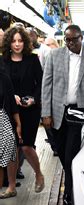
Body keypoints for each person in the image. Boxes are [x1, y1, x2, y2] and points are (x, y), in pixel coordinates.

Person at [41, 24, 84, 205]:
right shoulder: (54, 56)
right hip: (58, 112)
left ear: (81, 38)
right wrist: (46, 113)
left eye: (74, 39)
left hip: (79, 113)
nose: (70, 43)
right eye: (67, 39)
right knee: (61, 150)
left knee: (70, 156)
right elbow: (47, 85)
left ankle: (70, 193)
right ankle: (73, 182)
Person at [2, 26, 45, 194]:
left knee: (26, 146)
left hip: (29, 110)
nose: (17, 44)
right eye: (13, 41)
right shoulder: (2, 61)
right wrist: (11, 95)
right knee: (12, 148)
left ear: (25, 42)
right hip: (9, 110)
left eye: (20, 40)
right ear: (8, 43)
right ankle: (11, 186)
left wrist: (33, 99)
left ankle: (39, 174)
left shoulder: (32, 60)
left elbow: (41, 83)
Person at [0, 72, 21, 198]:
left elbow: (12, 104)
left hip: (3, 120)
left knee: (1, 161)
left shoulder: (3, 77)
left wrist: (18, 124)